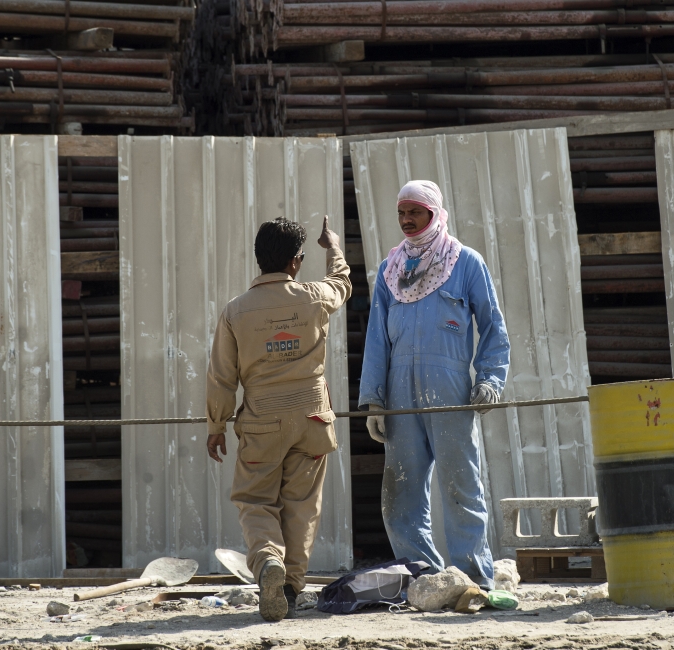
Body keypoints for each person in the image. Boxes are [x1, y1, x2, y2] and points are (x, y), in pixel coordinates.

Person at [358, 180, 510, 589]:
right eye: (401, 213)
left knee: (461, 485)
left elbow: (493, 327)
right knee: (400, 492)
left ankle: (474, 577)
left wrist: (491, 378)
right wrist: (373, 399)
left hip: (450, 391)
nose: (407, 220)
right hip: (399, 393)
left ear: (434, 213)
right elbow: (376, 337)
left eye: (415, 212)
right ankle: (423, 576)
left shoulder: (465, 263)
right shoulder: (391, 270)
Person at [206, 215, 350, 622]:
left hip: (261, 421)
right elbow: (342, 283)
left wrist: (216, 426)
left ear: (259, 259)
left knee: (255, 500)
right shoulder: (314, 296)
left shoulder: (235, 312)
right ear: (295, 261)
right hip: (312, 418)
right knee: (302, 505)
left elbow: (221, 377)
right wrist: (334, 248)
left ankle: (268, 558)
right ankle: (288, 586)